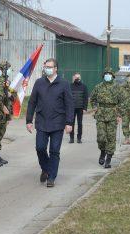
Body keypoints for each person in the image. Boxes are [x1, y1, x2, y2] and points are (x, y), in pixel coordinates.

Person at [26, 58, 74, 187]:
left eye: (50, 67)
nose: (47, 69)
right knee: (40, 148)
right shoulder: (39, 83)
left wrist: (69, 122)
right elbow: (32, 102)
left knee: (54, 151)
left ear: (55, 68)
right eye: (46, 66)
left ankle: (51, 177)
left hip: (58, 122)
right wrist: (29, 120)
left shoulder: (63, 84)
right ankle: (46, 168)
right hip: (42, 122)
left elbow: (69, 104)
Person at [89, 68, 122, 168]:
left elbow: (122, 102)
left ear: (112, 75)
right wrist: (95, 108)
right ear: (103, 76)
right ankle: (103, 152)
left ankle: (108, 159)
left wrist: (119, 115)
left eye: (109, 74)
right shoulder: (98, 87)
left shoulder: (117, 87)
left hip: (113, 114)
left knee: (111, 137)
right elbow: (93, 98)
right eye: (106, 74)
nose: (108, 75)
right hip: (101, 114)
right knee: (101, 137)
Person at [69, 73, 88, 143]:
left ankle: (79, 138)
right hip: (72, 108)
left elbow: (86, 98)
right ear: (73, 78)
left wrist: (85, 108)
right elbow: (68, 98)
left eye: (78, 77)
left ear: (80, 78)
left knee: (80, 123)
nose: (77, 79)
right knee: (71, 123)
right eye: (76, 77)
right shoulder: (70, 86)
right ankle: (71, 138)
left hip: (80, 108)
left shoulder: (84, 86)